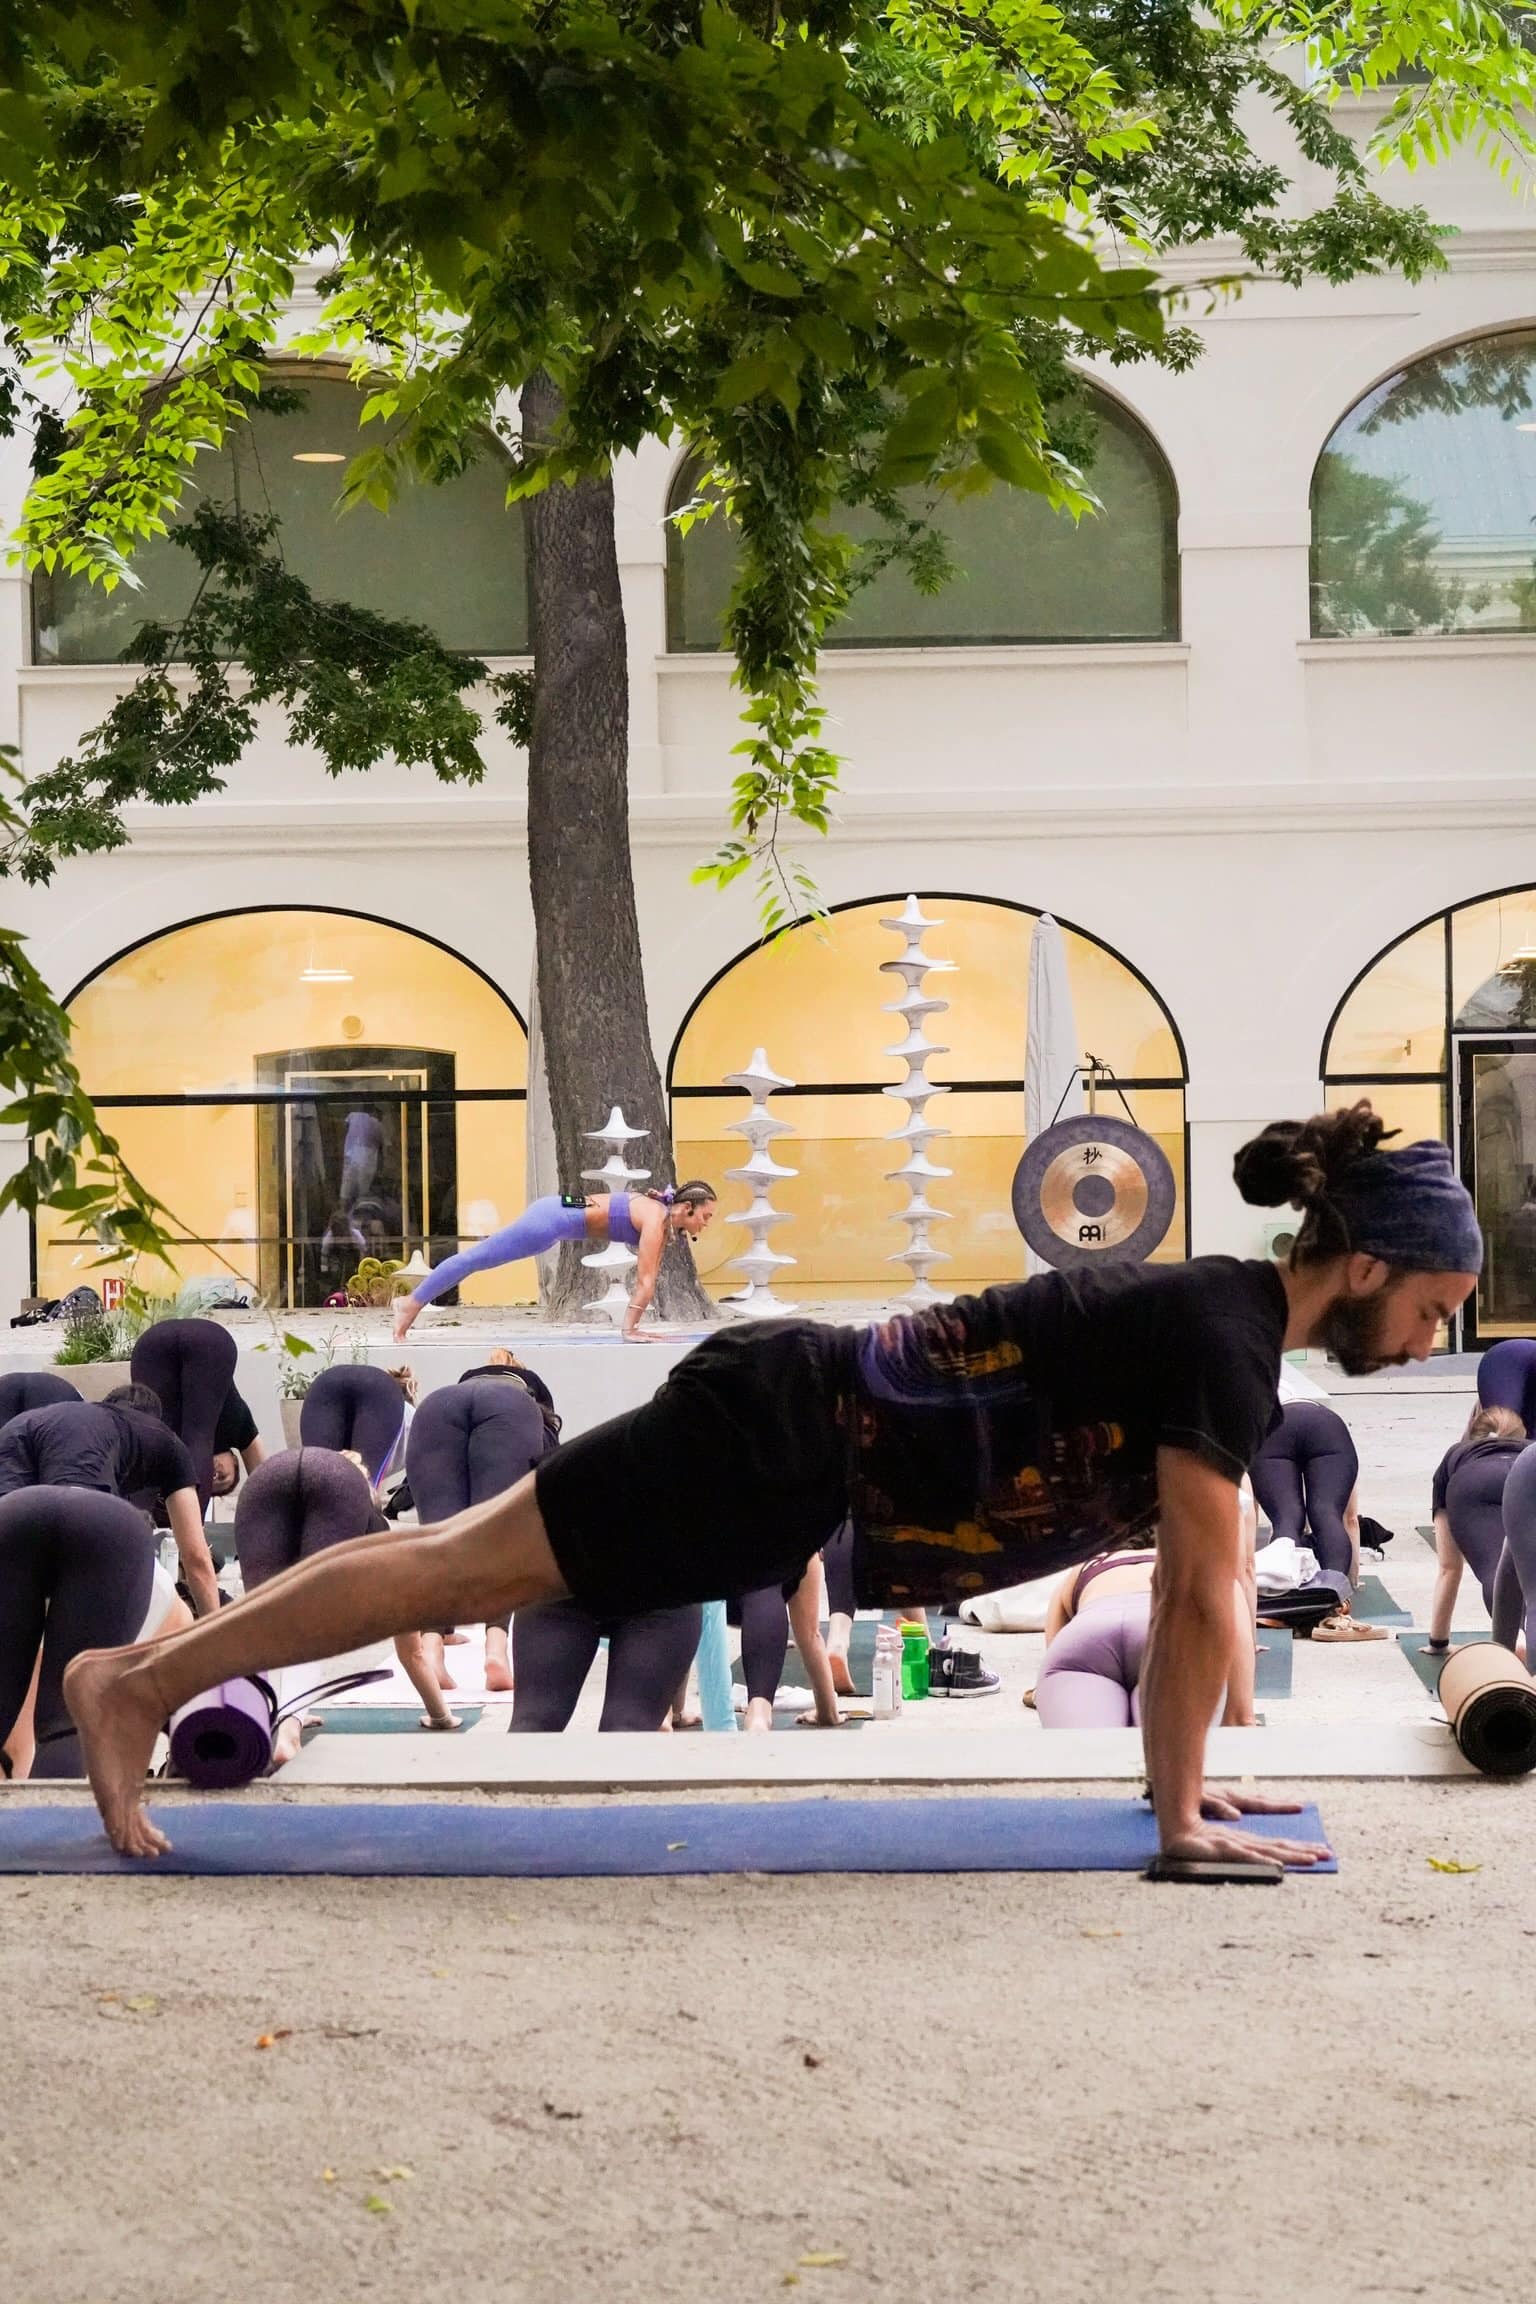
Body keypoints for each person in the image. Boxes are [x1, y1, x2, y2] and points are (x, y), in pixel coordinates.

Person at [63, 1103, 1482, 1865]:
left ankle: (141, 1673)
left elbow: (1188, 1590)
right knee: (447, 1572)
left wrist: (1183, 1791)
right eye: (1433, 1307)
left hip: (787, 1429)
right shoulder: (1226, 1339)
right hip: (780, 1436)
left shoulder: (1224, 1319)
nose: (1433, 1340)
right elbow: (1200, 1595)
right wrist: (1177, 1821)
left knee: (443, 1558)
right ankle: (139, 1688)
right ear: (1365, 1264)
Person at [234, 1447, 458, 1745]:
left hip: (265, 1478)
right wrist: (440, 1715)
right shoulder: (373, 1527)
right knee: (310, 1621)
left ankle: (273, 1713)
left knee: (262, 1619)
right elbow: (411, 1652)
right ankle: (288, 1729)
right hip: (324, 1482)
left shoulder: (309, 1525)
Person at [0, 1488, 191, 1781]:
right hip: (109, 1533)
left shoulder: (167, 1619)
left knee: (63, 1725)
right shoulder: (161, 1620)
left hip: (15, 1512)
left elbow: (20, 1752)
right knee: (64, 1725)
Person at [391, 1182, 719, 1344]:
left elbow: (650, 1277)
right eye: (705, 1216)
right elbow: (646, 1281)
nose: (706, 1224)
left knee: (476, 1260)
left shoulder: (660, 1218)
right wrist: (630, 1330)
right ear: (686, 1208)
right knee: (476, 1259)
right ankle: (411, 1302)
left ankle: (413, 1302)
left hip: (553, 1218)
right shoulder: (656, 1218)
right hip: (549, 1221)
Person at [0, 1385, 219, 1619]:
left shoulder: (95, 1423)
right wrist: (218, 1632)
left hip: (14, 1432)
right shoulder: (168, 1443)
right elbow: (196, 1559)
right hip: (76, 1463)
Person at [405, 1365, 555, 1694]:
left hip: (435, 1407)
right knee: (500, 1536)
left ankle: (431, 1650)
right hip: (510, 1411)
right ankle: (496, 1651)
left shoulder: (456, 1390)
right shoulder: (527, 1399)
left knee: (438, 1537)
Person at [1032, 1539, 1257, 1730]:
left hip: (1086, 1639)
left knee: (1092, 1755)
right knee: (1168, 1761)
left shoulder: (1082, 1568)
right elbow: (1240, 1716)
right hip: (1170, 1642)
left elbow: (1054, 1646)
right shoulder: (1201, 1560)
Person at [1247, 1399, 1380, 1642]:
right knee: (1327, 1513)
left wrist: (1250, 1575)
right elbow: (1350, 1519)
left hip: (1273, 1431)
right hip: (1327, 1428)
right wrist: (1351, 1582)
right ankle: (1335, 1602)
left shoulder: (1260, 1409)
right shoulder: (1325, 1416)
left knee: (1286, 1519)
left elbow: (1249, 1515)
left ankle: (1285, 1598)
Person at [1427, 1404, 1526, 1651]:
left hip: (1474, 1483)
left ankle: (1519, 1639)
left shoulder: (1456, 1453)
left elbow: (1449, 1568)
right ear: (1521, 1434)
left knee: (1494, 1567)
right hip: (1527, 1473)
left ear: (1473, 1434)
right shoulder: (1530, 1448)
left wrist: (1438, 1643)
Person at [129, 1317, 239, 1510]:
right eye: (223, 1477)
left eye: (214, 1483)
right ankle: (193, 1526)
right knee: (198, 1438)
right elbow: (260, 1468)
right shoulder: (238, 1425)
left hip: (153, 1340)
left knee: (149, 1440)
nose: (215, 1476)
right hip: (210, 1340)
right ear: (234, 1459)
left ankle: (135, 1523)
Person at [299, 1362, 409, 1488]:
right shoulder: (411, 1425)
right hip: (380, 1395)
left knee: (320, 1485)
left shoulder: (409, 1419)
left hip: (326, 1385)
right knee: (361, 1486)